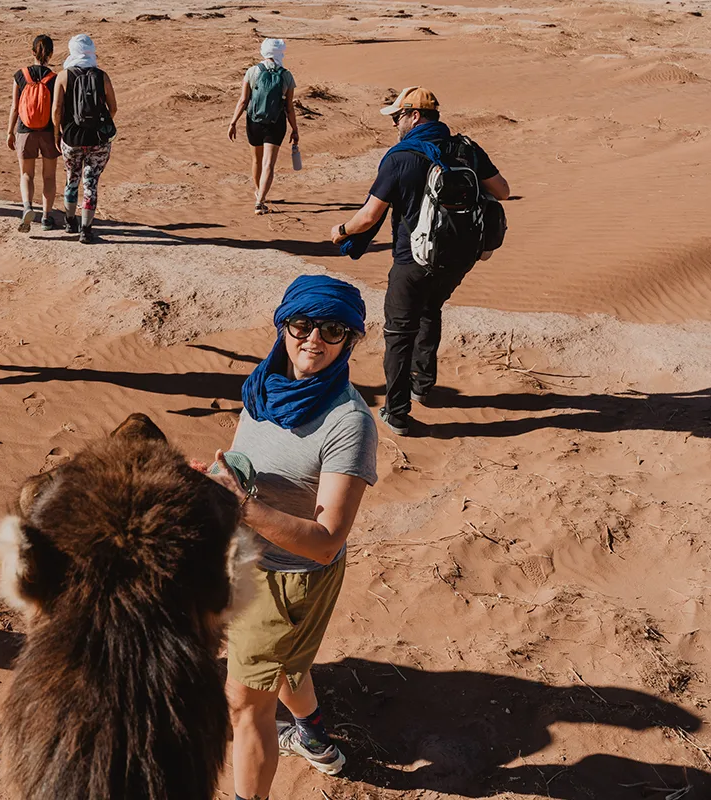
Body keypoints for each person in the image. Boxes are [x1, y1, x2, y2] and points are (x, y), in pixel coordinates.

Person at [200, 275, 377, 800]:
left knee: (245, 703)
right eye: (302, 324)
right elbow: (244, 466)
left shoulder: (348, 423)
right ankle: (316, 737)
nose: (313, 339)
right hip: (245, 561)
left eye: (333, 330)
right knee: (286, 663)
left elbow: (326, 541)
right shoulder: (262, 388)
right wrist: (215, 485)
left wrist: (243, 507)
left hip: (289, 581)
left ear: (350, 340)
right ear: (283, 326)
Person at [331, 87, 509, 436]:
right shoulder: (467, 149)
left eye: (397, 116)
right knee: (431, 311)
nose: (395, 123)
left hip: (411, 258)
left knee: (398, 332)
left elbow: (368, 217)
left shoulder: (401, 157)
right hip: (458, 258)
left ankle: (396, 413)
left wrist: (340, 230)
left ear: (415, 116)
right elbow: (502, 191)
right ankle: (423, 385)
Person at [52, 33, 118, 244]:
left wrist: (57, 133)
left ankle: (70, 221)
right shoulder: (102, 76)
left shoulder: (63, 76)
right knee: (91, 183)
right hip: (98, 139)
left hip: (71, 137)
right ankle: (86, 230)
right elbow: (113, 107)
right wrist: (99, 124)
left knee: (72, 179)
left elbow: (56, 109)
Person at [228, 38, 300, 215]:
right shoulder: (287, 75)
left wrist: (233, 122)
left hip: (254, 122)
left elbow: (244, 100)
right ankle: (260, 201)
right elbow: (289, 107)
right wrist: (295, 129)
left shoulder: (252, 71)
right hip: (276, 123)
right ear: (281, 53)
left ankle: (259, 193)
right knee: (269, 163)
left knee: (257, 160)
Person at [7, 34, 60, 233]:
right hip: (47, 131)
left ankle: (28, 207)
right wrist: (57, 134)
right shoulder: (54, 78)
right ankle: (47, 217)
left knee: (26, 174)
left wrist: (9, 132)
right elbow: (57, 109)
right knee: (49, 176)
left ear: (32, 52)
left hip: (24, 130)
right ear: (51, 53)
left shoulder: (20, 75)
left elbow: (14, 107)